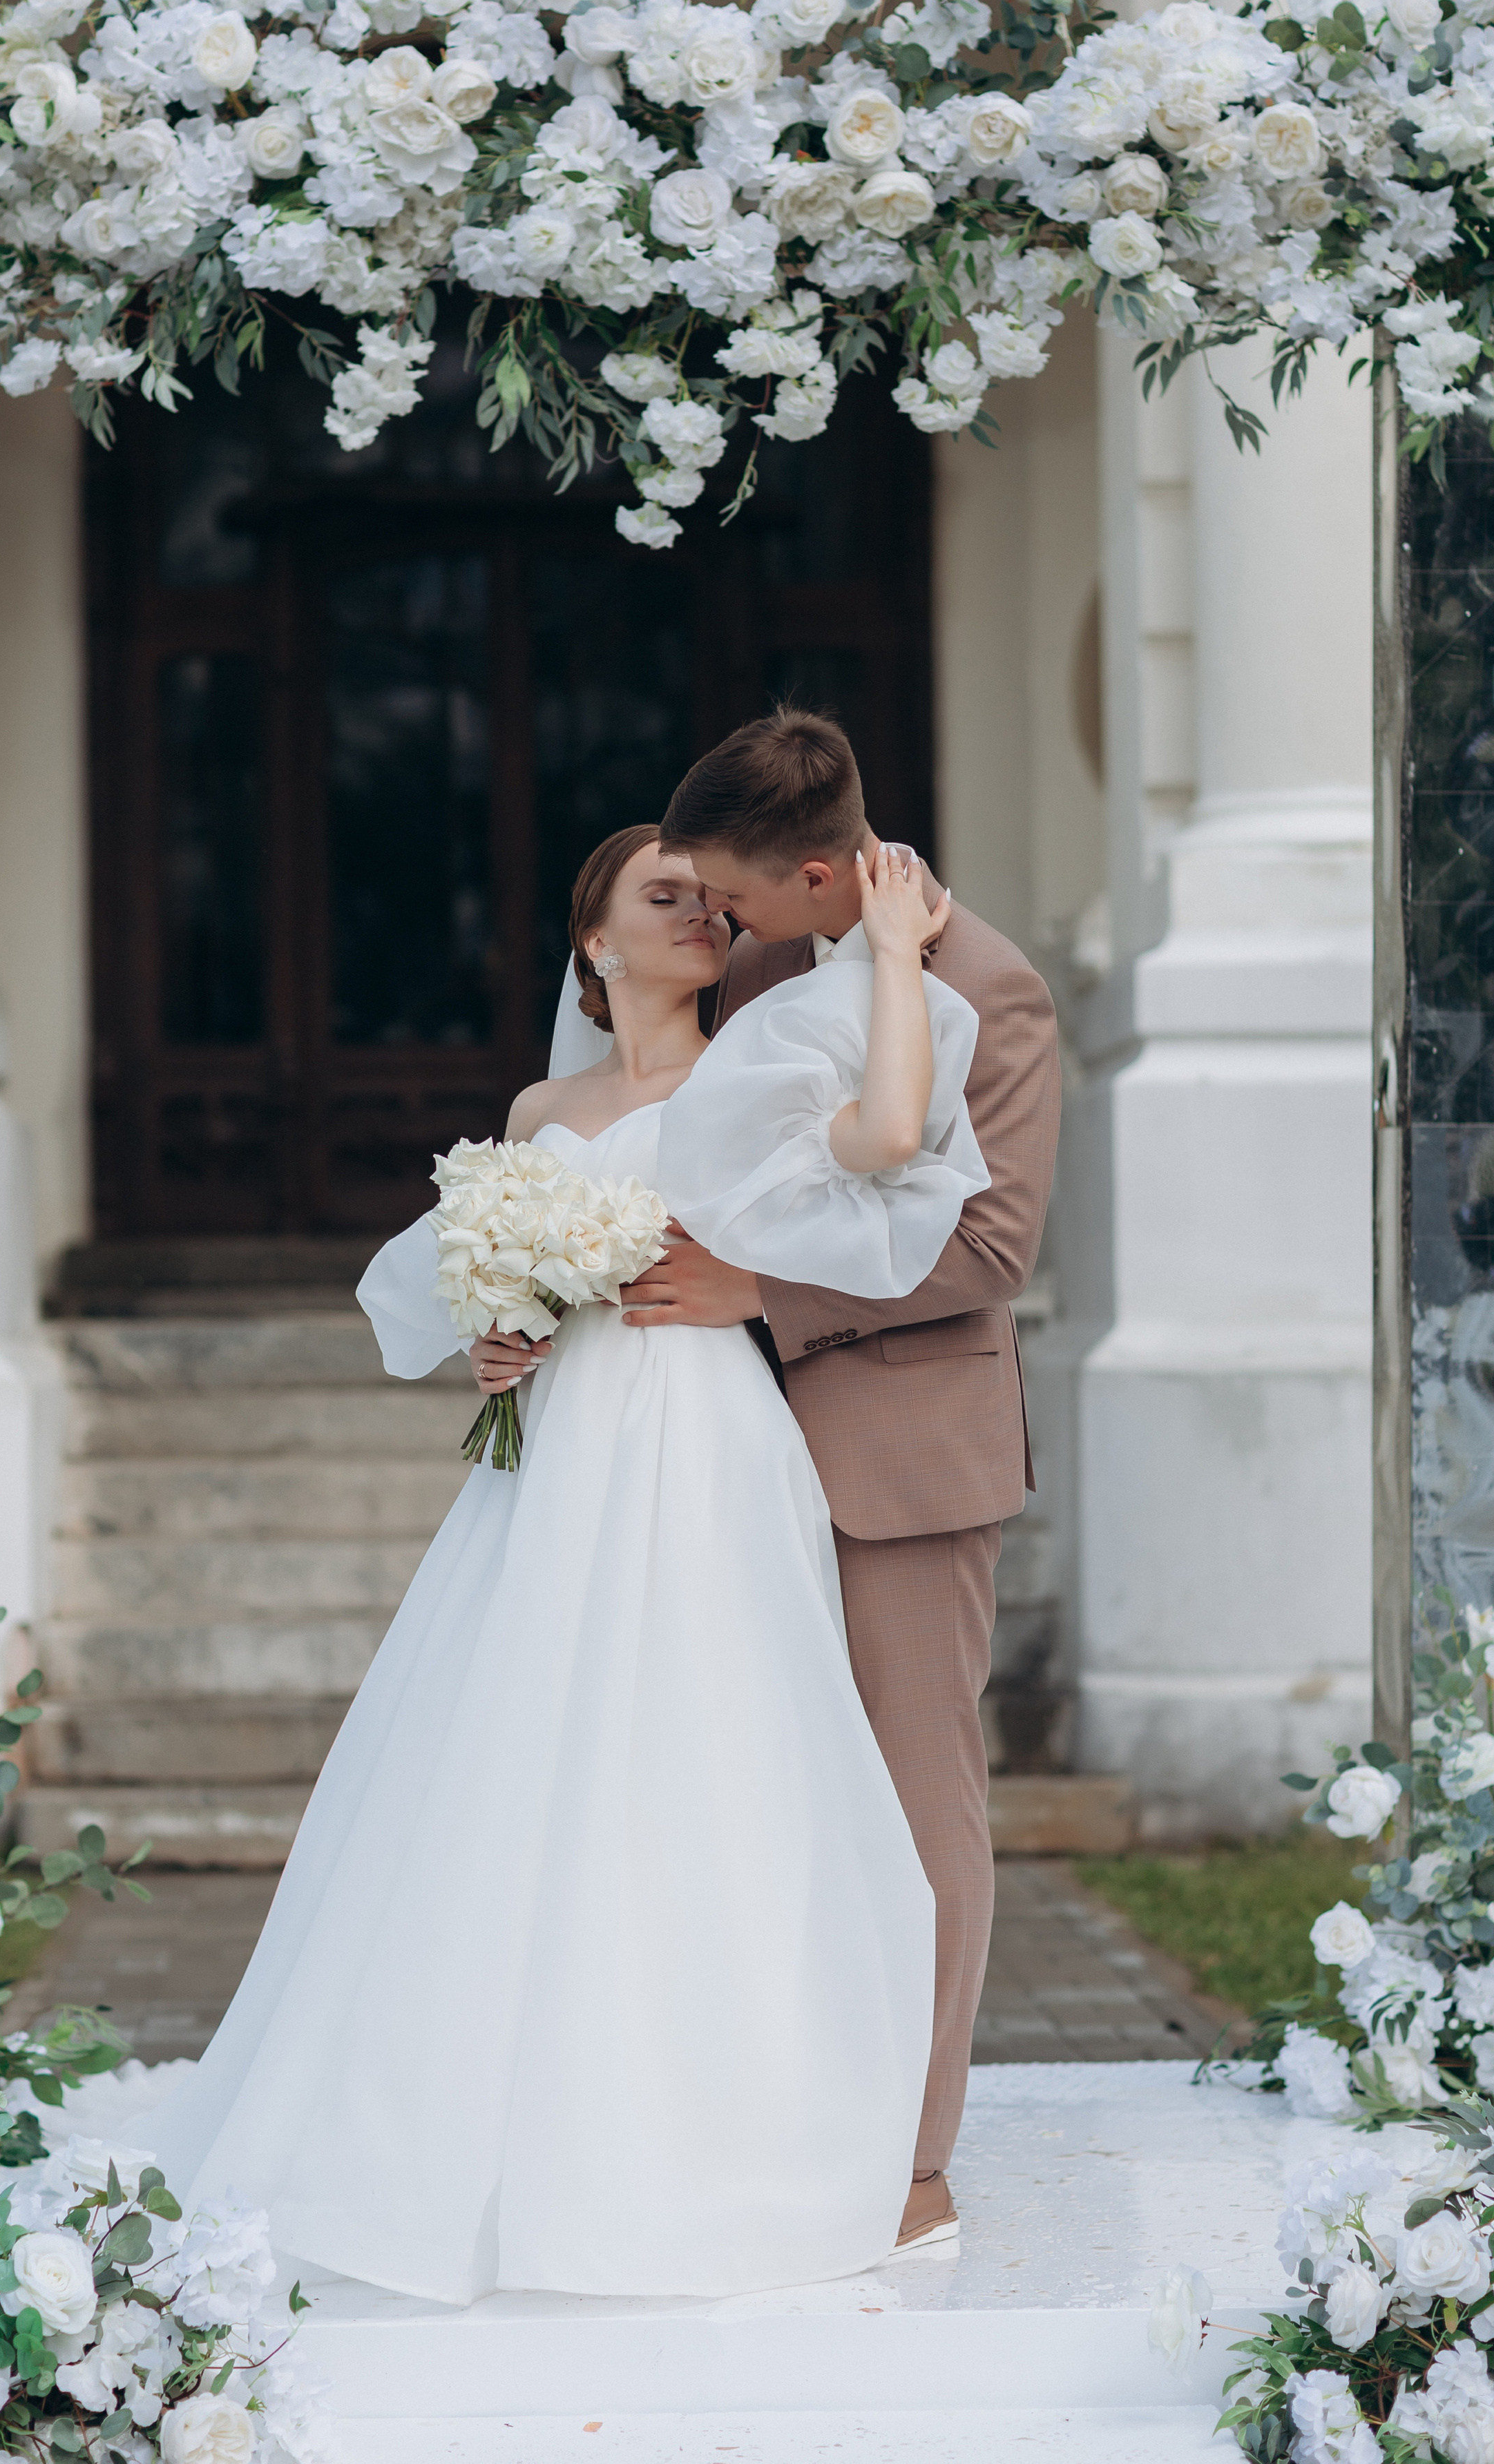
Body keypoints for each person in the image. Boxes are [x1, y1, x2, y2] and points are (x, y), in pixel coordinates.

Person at [139, 822, 988, 2307]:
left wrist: (894, 958)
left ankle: (728, 2116)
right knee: (516, 1746)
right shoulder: (541, 1109)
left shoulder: (762, 1068)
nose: (700, 917)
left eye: (709, 900)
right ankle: (483, 2119)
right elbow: (498, 1273)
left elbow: (886, 1155)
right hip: (560, 1450)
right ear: (592, 941)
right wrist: (498, 1334)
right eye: (664, 898)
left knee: (708, 1745)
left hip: (708, 1436)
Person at [620, 709, 1063, 2261]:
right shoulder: (755, 978)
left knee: (917, 1802)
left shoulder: (989, 989)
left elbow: (992, 1248)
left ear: (818, 877)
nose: (717, 926)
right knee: (757, 1790)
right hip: (724, 1451)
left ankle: (916, 2156)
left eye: (734, 897)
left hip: (902, 1461)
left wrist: (762, 1298)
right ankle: (772, 2115)